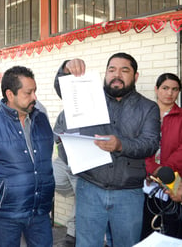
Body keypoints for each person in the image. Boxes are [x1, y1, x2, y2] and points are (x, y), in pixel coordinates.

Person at [54, 53, 161, 247]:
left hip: (129, 193)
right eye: (112, 70)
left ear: (136, 76)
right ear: (105, 73)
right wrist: (66, 69)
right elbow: (64, 90)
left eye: (124, 70)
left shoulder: (148, 108)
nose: (116, 75)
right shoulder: (90, 96)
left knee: (126, 243)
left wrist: (121, 145)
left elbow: (151, 143)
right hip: (90, 188)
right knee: (87, 243)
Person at [0, 66, 55, 247]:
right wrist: (0, 191)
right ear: (10, 94)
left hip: (39, 210)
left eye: (35, 91)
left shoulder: (41, 120)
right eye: (28, 93)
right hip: (6, 213)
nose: (34, 98)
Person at [141, 73, 182, 239]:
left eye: (175, 89)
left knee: (172, 228)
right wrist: (153, 168)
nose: (169, 93)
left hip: (175, 177)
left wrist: (164, 170)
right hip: (144, 177)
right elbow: (139, 146)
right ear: (156, 89)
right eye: (165, 88)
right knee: (144, 227)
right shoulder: (144, 115)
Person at [53, 110, 79, 247]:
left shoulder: (94, 112)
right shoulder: (64, 113)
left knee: (80, 195)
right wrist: (60, 139)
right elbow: (56, 133)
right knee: (50, 177)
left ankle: (72, 233)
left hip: (82, 164)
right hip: (64, 160)